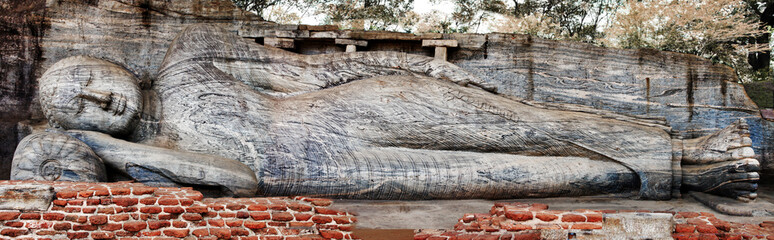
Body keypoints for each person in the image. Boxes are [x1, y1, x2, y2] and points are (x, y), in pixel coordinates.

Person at [15, 24, 760, 201]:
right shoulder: (162, 154)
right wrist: (93, 147)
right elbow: (236, 182)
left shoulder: (184, 60)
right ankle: (691, 169)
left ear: (104, 60)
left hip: (353, 105)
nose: (95, 97)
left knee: (533, 124)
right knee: (515, 176)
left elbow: (312, 66)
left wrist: (402, 66)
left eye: (85, 78)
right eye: (76, 109)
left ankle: (703, 147)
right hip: (335, 169)